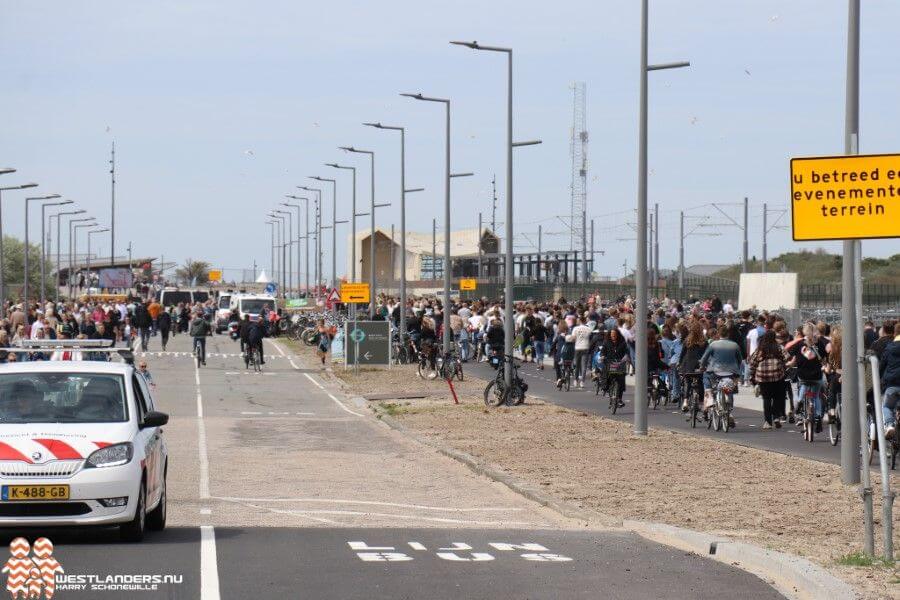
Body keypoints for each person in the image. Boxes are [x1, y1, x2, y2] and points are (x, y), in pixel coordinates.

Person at [787, 322, 828, 431]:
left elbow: (791, 356)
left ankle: (800, 402)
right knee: (816, 396)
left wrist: (789, 364)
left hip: (803, 374)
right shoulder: (819, 343)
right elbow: (824, 357)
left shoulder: (799, 344)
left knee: (803, 385)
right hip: (816, 375)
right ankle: (818, 417)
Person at [748, 330, 789, 429]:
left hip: (763, 377)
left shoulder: (760, 349)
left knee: (766, 398)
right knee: (776, 397)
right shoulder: (779, 347)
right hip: (777, 376)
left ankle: (768, 421)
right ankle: (776, 417)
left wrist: (752, 373)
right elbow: (787, 358)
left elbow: (752, 362)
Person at [878, 330, 900, 440]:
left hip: (892, 385)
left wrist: (879, 379)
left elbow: (881, 367)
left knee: (886, 406)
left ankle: (890, 425)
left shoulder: (889, 348)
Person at [600, 327, 629, 404]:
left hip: (619, 363)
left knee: (621, 380)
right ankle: (607, 388)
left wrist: (626, 357)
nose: (613, 336)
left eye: (614, 335)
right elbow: (602, 351)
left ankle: (619, 398)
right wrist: (602, 356)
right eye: (612, 335)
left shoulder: (622, 343)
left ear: (617, 335)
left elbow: (626, 352)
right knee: (607, 377)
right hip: (609, 362)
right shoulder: (606, 342)